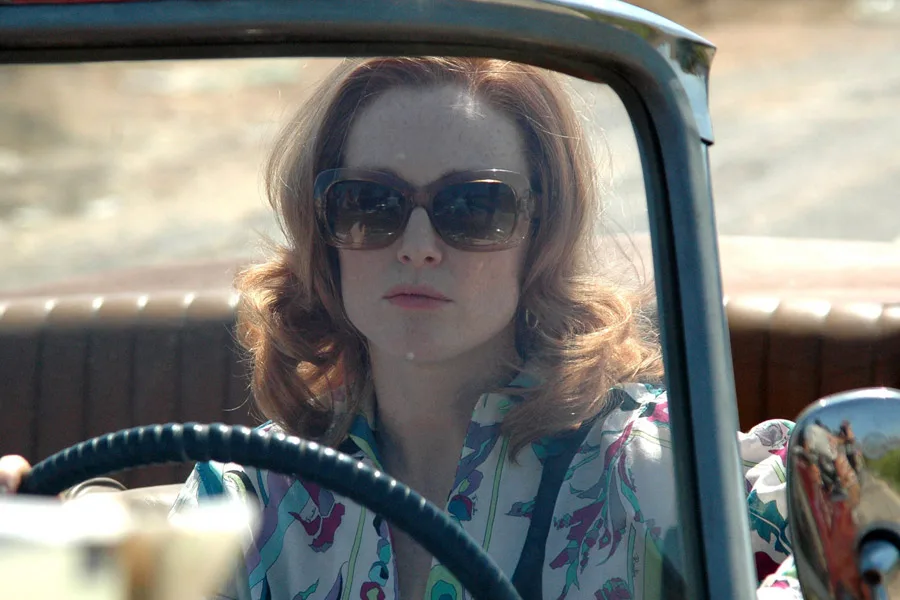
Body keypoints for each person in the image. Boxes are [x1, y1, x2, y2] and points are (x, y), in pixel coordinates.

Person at [0, 57, 802, 599]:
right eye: (370, 204)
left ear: (541, 235)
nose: (417, 244)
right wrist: (26, 549)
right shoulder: (257, 495)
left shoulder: (646, 464)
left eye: (473, 206)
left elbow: (825, 537)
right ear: (325, 233)